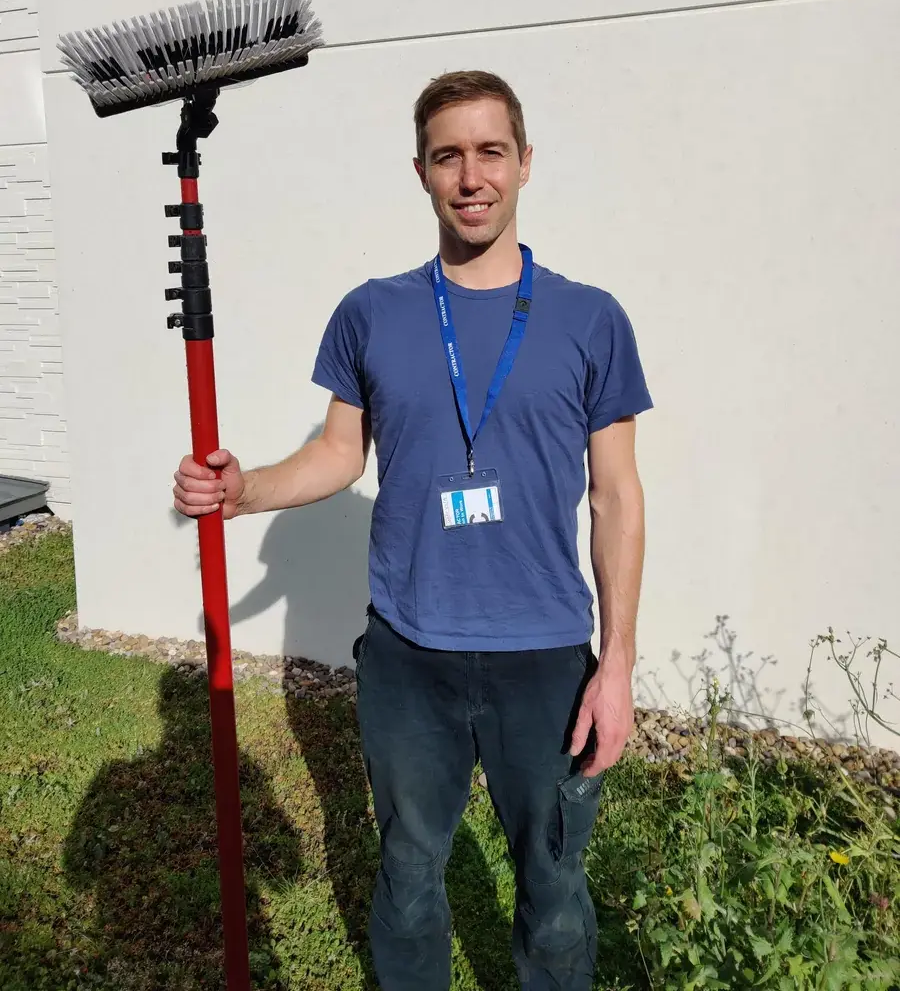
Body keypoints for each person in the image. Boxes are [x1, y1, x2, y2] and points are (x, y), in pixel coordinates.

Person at [173, 70, 652, 991]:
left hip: (544, 659)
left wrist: (618, 664)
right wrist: (246, 490)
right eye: (448, 156)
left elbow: (617, 498)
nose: (471, 177)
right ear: (422, 171)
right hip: (408, 656)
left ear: (524, 163)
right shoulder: (373, 312)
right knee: (407, 878)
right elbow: (339, 452)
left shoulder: (591, 319)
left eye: (490, 152)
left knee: (555, 894)